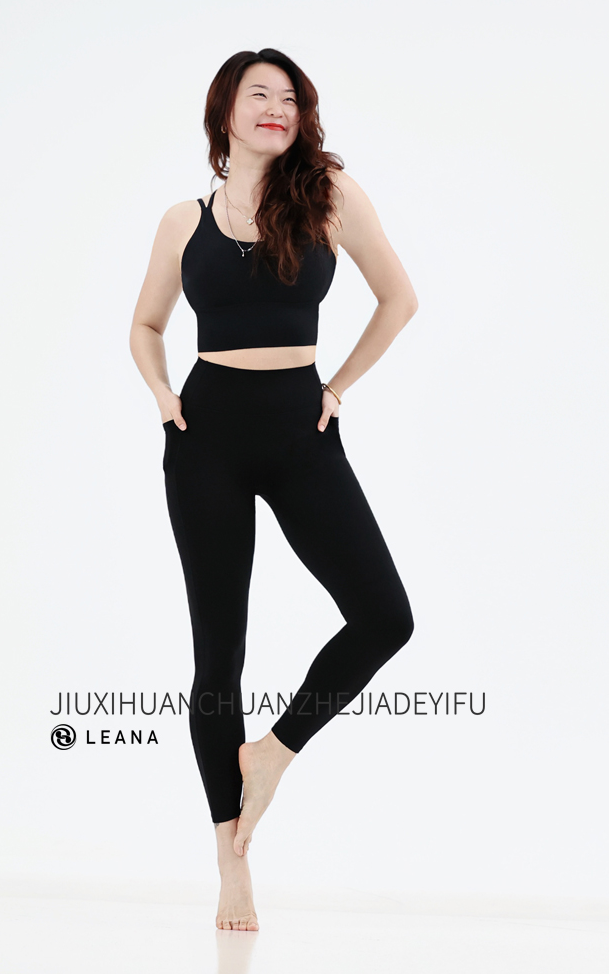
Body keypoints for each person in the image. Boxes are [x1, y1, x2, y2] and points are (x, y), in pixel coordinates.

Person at [129, 48, 418, 932]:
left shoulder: (329, 195)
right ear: (225, 111)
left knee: (385, 616)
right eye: (259, 94)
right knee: (219, 658)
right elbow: (146, 324)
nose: (276, 108)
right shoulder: (183, 220)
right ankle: (233, 862)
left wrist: (339, 387)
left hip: (301, 432)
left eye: (289, 97)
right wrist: (164, 396)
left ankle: (275, 753)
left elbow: (399, 299)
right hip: (206, 439)